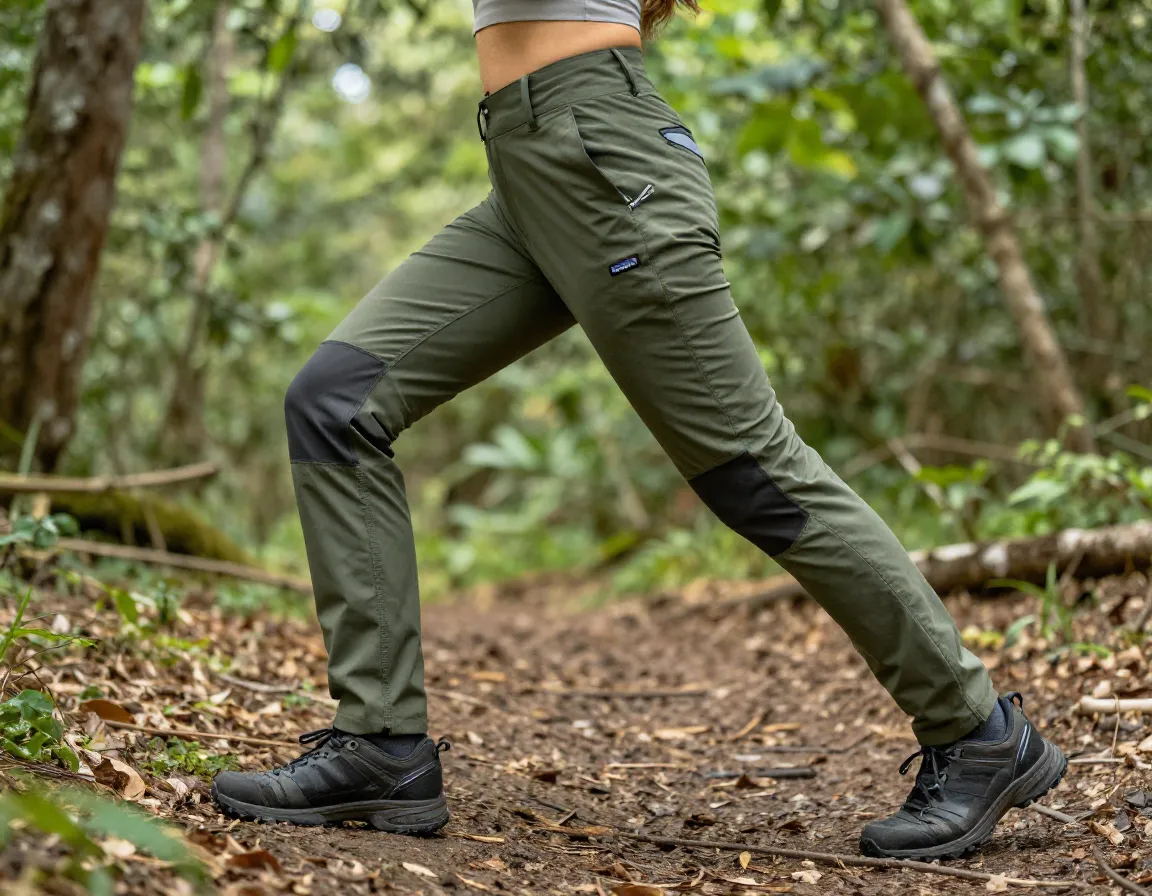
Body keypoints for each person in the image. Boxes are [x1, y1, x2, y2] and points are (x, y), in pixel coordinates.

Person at [211, 0, 1067, 859]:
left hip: (605, 161)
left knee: (751, 469)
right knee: (337, 403)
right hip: (526, 170)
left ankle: (977, 731)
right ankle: (380, 745)